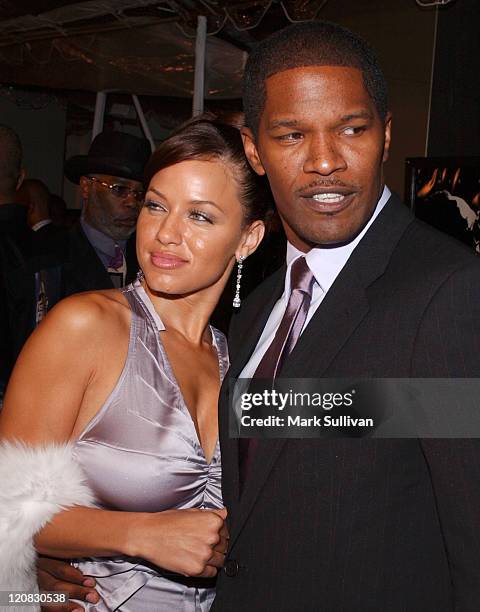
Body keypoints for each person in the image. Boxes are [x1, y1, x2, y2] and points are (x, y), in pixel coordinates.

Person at [31, 21, 480, 612]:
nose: (325, 162)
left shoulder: (449, 289)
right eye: (292, 134)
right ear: (255, 150)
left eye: (352, 129)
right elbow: (317, 436)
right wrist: (45, 552)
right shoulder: (259, 313)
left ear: (387, 135)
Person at [0, 117, 269, 611]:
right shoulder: (87, 326)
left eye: (200, 216)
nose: (166, 233)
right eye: (155, 205)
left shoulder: (240, 359)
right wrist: (141, 533)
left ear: (248, 238)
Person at [60, 130, 151, 294]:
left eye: (140, 194)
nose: (132, 202)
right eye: (119, 189)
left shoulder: (151, 259)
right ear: (87, 187)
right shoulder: (50, 261)